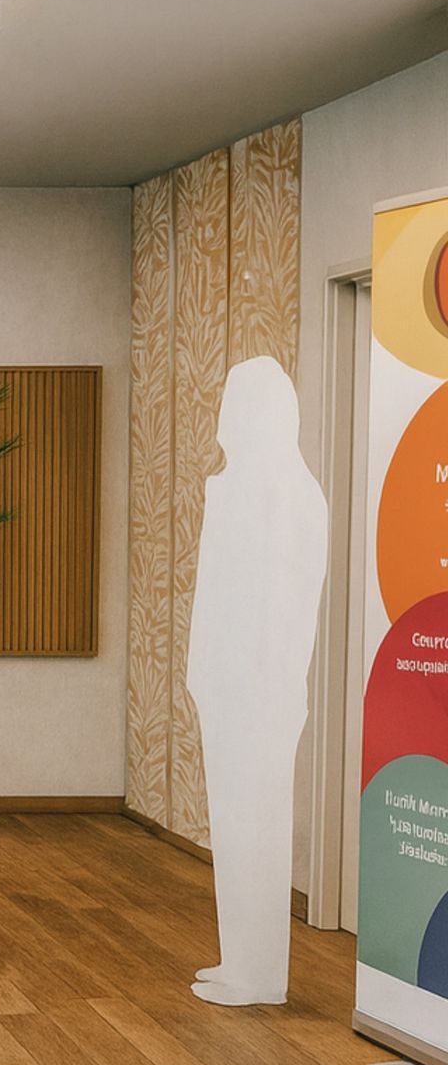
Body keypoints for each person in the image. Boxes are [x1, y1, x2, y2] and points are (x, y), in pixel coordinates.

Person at [186, 355, 329, 1006]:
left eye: (238, 404)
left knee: (259, 825)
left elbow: (281, 606)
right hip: (226, 685)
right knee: (233, 824)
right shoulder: (237, 487)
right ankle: (238, 957)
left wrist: (260, 683)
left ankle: (262, 973)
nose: (226, 421)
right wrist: (203, 671)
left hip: (261, 691)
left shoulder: (291, 494)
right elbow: (214, 593)